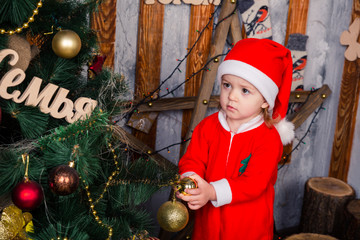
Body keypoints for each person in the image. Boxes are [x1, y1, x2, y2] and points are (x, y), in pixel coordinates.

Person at [177, 38, 295, 240]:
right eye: (227, 85)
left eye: (245, 90)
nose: (232, 96)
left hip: (248, 224)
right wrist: (191, 180)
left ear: (266, 101)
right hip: (210, 221)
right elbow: (193, 158)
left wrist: (212, 191)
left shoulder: (268, 138)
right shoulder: (208, 127)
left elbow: (254, 183)